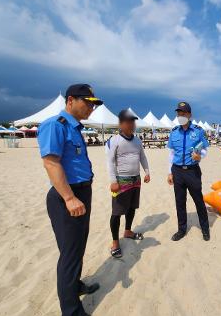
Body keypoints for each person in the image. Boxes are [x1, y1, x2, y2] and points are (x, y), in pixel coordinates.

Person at [37, 84, 103, 316]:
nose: (91, 108)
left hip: (81, 193)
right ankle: (71, 310)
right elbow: (51, 163)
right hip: (68, 196)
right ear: (71, 100)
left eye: (94, 104)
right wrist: (69, 198)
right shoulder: (56, 125)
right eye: (88, 102)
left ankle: (75, 285)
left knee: (78, 247)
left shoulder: (75, 128)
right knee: (70, 254)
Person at [105, 109, 150, 258]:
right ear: (121, 124)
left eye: (133, 122)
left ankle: (128, 231)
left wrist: (147, 171)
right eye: (128, 122)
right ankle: (115, 241)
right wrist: (113, 181)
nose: (132, 124)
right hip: (121, 181)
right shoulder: (114, 140)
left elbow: (142, 157)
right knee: (117, 212)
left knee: (131, 208)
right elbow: (110, 162)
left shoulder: (137, 141)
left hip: (136, 180)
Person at [167, 101, 210, 241]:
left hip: (192, 171)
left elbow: (204, 149)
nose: (180, 115)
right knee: (180, 202)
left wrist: (200, 156)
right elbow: (172, 153)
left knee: (199, 201)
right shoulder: (173, 132)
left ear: (189, 115)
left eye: (183, 113)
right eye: (178, 113)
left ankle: (205, 229)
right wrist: (170, 172)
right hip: (177, 171)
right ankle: (181, 229)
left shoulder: (198, 131)